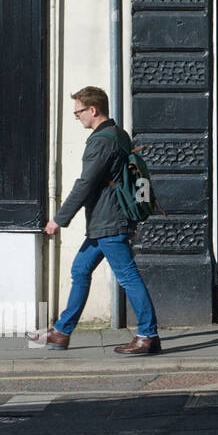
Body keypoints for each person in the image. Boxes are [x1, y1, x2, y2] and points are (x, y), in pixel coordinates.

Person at [27, 86, 162, 354]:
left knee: (127, 277)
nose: (76, 117)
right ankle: (62, 332)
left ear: (93, 109)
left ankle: (148, 335)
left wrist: (59, 219)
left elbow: (85, 183)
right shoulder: (117, 134)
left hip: (109, 221)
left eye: (78, 112)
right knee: (80, 270)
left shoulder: (102, 141)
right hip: (108, 221)